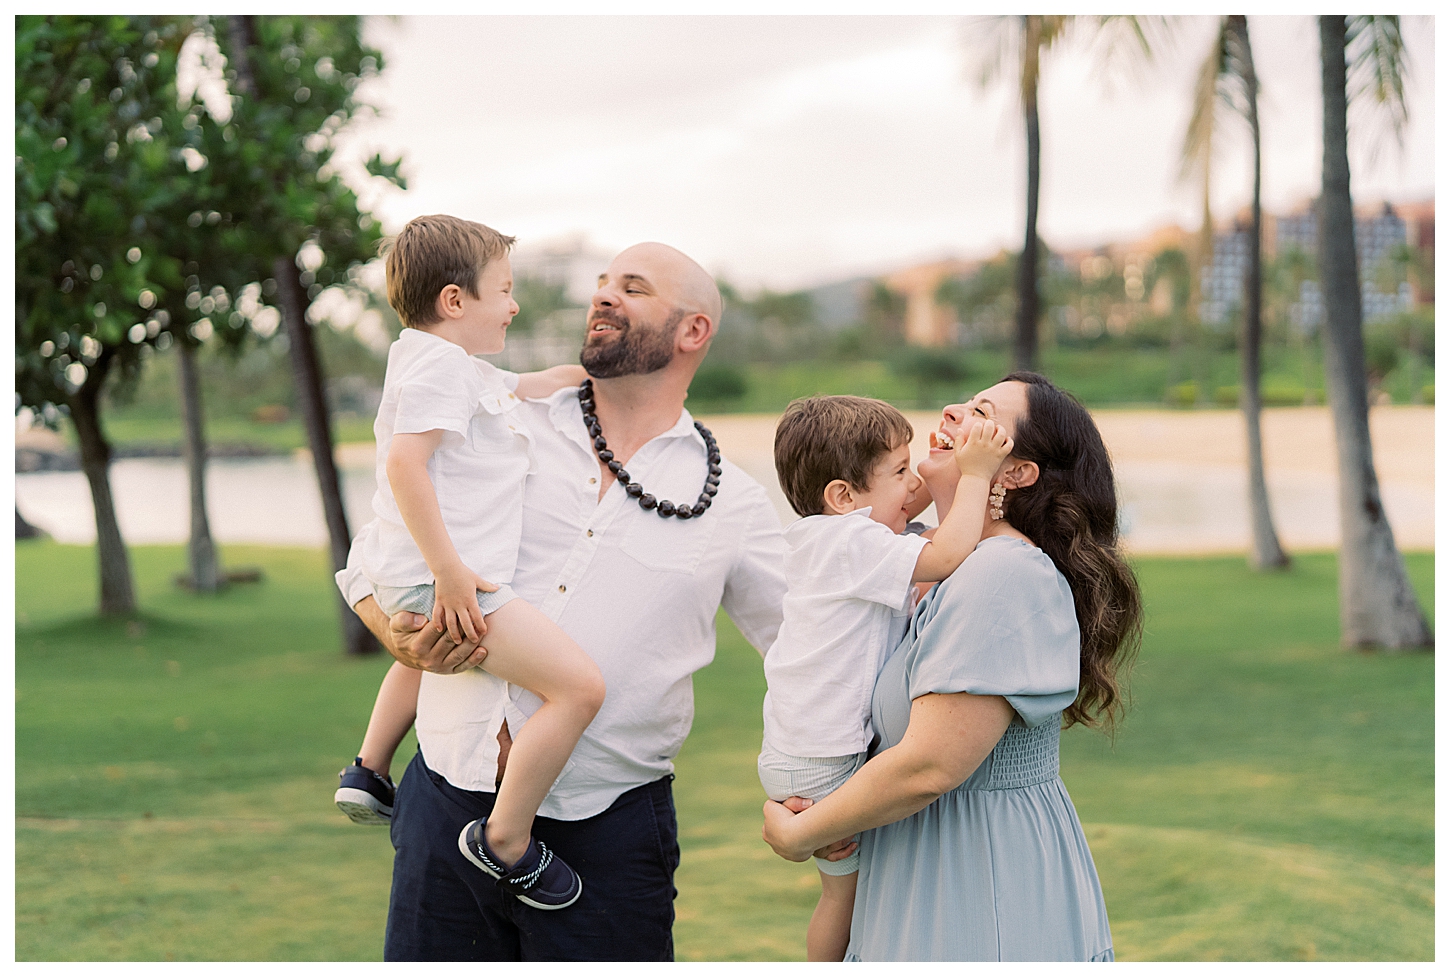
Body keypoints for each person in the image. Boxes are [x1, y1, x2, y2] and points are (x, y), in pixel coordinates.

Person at [335, 242, 788, 960]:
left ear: (693, 330)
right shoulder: (500, 421)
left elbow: (805, 650)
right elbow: (375, 551)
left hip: (609, 835)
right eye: (602, 283)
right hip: (445, 799)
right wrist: (392, 631)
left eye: (632, 288)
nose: (603, 295)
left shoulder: (732, 500)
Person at [761, 372, 1143, 962]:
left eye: (981, 411)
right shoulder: (920, 566)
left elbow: (931, 766)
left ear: (1013, 472)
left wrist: (798, 833)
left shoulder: (1001, 574)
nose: (952, 410)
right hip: (915, 867)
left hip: (975, 882)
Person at [335, 214, 604, 911]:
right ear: (455, 301)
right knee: (578, 688)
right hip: (441, 576)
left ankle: (367, 769)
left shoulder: (449, 364)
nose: (515, 305)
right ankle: (505, 840)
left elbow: (512, 388)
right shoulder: (438, 366)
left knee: (415, 657)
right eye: (504, 290)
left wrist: (565, 377)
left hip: (414, 570)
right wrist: (450, 570)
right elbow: (404, 464)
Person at [759, 395, 1011, 960]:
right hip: (823, 760)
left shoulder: (836, 536)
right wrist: (975, 473)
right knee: (847, 899)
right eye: (899, 471)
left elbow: (913, 500)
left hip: (800, 750)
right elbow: (948, 553)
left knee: (848, 893)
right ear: (844, 497)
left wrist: (935, 462)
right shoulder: (851, 542)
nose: (913, 483)